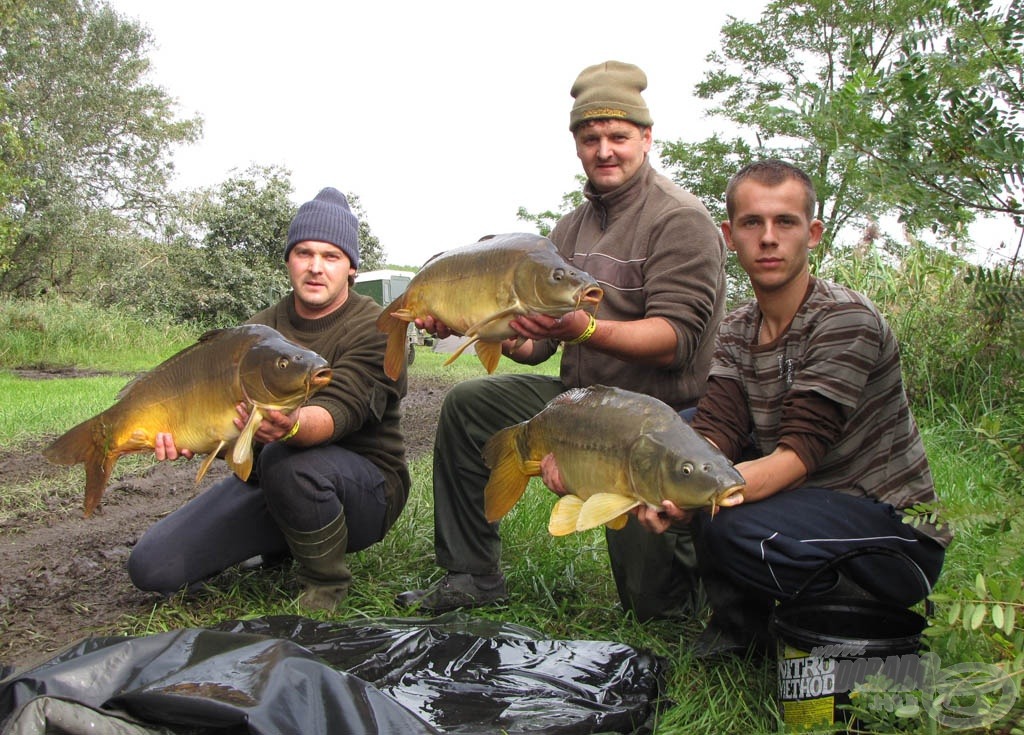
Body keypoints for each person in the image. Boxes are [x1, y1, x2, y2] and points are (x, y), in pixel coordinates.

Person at [396, 60, 729, 621]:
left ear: (647, 138)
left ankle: (702, 576)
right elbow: (542, 346)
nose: (605, 151)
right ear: (576, 143)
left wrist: (588, 329)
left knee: (655, 608)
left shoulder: (681, 219)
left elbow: (678, 339)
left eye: (619, 137)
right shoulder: (568, 230)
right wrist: (494, 329)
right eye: (590, 137)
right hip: (577, 401)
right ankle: (471, 574)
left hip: (658, 418)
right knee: (468, 405)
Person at [624, 159, 951, 657]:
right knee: (680, 437)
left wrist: (697, 494)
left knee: (725, 510)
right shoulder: (737, 328)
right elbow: (717, 428)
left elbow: (800, 455)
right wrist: (665, 479)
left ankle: (849, 616)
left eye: (786, 222)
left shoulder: (846, 319)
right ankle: (742, 629)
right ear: (730, 236)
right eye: (753, 223)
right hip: (806, 510)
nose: (769, 238)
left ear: (812, 233)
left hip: (893, 533)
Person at [128, 187, 410, 613]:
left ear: (351, 268)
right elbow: (227, 427)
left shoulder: (376, 326)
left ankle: (325, 585)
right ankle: (284, 545)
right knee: (152, 567)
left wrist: (293, 427)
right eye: (304, 253)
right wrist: (198, 435)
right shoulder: (255, 332)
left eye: (331, 256)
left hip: (367, 491)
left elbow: (343, 409)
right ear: (288, 261)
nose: (316, 267)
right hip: (271, 481)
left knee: (287, 459)